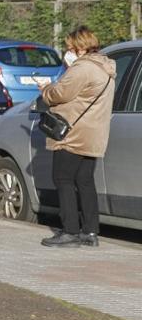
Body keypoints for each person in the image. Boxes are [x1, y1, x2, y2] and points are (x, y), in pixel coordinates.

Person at [39, 26, 116, 248]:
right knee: (84, 181)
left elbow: (58, 94)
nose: (67, 51)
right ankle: (90, 232)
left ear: (79, 47)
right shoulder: (105, 67)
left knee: (62, 179)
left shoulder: (82, 68)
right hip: (94, 134)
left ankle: (70, 231)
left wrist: (45, 88)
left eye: (70, 47)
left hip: (73, 134)